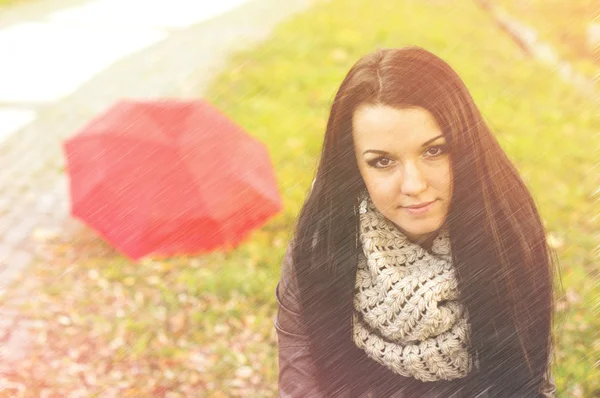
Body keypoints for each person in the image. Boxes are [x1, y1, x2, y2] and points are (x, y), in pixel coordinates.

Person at [274, 46, 559, 397]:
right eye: (382, 162)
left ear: (464, 148)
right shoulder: (321, 250)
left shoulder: (505, 237)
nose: (414, 185)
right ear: (354, 170)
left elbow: (527, 382)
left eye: (434, 151)